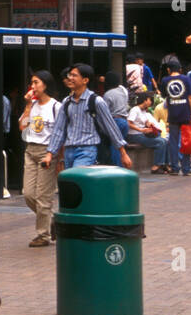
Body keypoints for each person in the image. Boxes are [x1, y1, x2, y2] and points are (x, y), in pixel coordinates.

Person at [42, 63, 132, 171]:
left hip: (86, 151)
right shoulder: (66, 102)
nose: (70, 78)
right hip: (68, 151)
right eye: (69, 75)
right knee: (72, 184)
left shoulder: (96, 101)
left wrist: (123, 153)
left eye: (74, 75)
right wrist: (49, 154)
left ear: (85, 80)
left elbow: (111, 127)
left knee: (76, 177)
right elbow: (59, 129)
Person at [18, 71, 60, 247]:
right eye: (31, 83)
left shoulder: (56, 106)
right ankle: (53, 220)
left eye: (36, 82)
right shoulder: (32, 104)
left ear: (46, 84)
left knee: (43, 197)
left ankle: (43, 235)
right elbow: (22, 127)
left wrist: (58, 158)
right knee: (28, 194)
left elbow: (60, 133)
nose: (32, 86)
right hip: (30, 150)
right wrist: (28, 105)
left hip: (47, 152)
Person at [158, 54, 191, 177]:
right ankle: (186, 169)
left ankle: (175, 168)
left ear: (169, 70)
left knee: (173, 142)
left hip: (173, 115)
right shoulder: (186, 79)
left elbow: (164, 96)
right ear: (179, 69)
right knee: (186, 141)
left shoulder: (165, 80)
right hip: (185, 114)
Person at [125, 92, 167, 170]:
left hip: (142, 134)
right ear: (145, 100)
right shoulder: (135, 109)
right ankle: (156, 166)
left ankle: (164, 164)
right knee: (160, 142)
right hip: (134, 135)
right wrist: (141, 130)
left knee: (164, 140)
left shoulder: (143, 111)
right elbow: (129, 123)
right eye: (149, 100)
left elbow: (143, 122)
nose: (151, 102)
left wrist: (148, 125)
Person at [101, 71, 130, 168]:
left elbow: (104, 111)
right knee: (121, 146)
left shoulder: (108, 94)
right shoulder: (123, 91)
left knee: (115, 146)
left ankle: (117, 168)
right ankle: (123, 165)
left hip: (115, 121)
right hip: (125, 121)